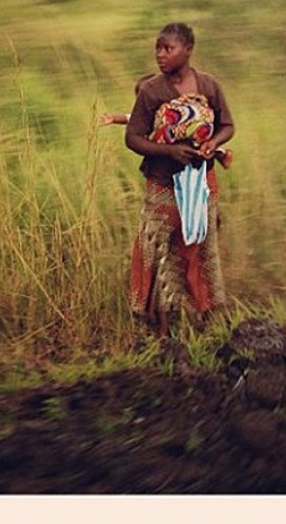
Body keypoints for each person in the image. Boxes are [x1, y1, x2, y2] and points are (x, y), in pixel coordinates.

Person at [124, 22, 235, 339]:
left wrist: (213, 143)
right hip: (163, 184)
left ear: (187, 50)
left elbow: (227, 125)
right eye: (157, 48)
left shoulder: (209, 85)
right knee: (158, 249)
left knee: (199, 246)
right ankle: (159, 326)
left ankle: (205, 319)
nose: (160, 54)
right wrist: (168, 150)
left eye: (167, 48)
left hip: (201, 183)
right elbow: (132, 138)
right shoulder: (151, 91)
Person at [100, 73, 233, 169]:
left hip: (186, 141)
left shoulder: (168, 112)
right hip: (165, 151)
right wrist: (113, 118)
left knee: (203, 144)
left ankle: (222, 155)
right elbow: (128, 118)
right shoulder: (144, 115)